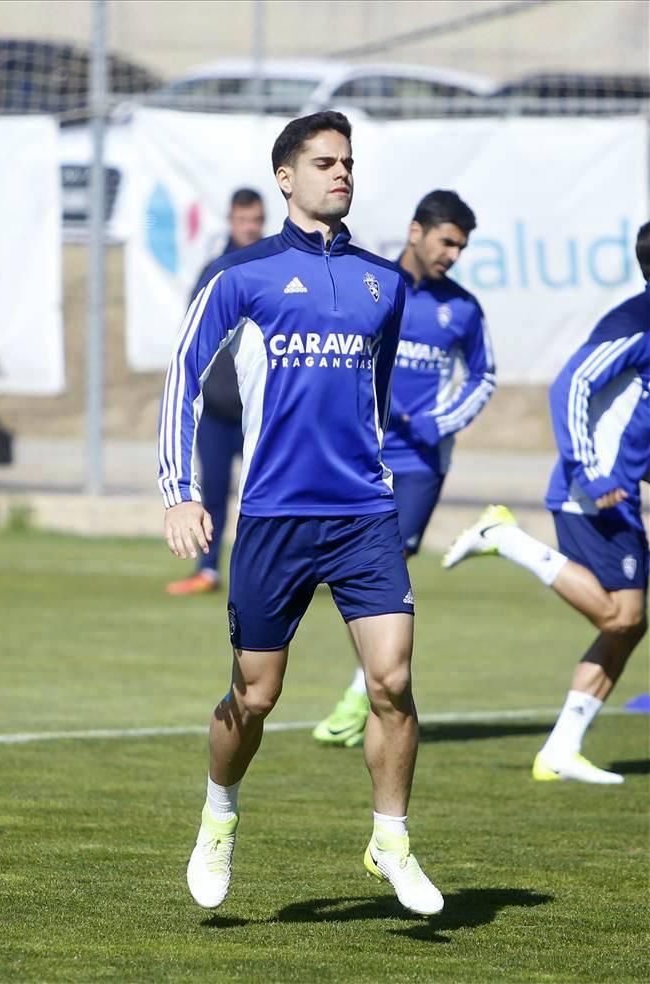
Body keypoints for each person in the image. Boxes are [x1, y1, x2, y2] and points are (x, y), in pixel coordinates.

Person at [158, 111, 443, 915]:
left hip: (362, 513)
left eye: (348, 162)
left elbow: (377, 393)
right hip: (275, 516)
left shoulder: (384, 282)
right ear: (286, 178)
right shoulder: (241, 276)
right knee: (255, 697)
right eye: (324, 162)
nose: (341, 173)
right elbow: (183, 374)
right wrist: (181, 490)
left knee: (391, 681)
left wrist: (377, 468)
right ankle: (219, 814)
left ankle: (391, 838)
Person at [441, 220, 650, 785]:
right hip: (592, 491)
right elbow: (571, 386)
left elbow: (633, 418)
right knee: (619, 615)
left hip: (619, 493)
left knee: (630, 624)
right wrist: (592, 467)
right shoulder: (638, 322)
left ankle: (561, 748)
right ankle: (504, 538)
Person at [313, 190, 496, 748]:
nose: (452, 255)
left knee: (387, 564)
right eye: (446, 242)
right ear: (416, 231)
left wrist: (436, 423)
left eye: (461, 247)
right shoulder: (374, 285)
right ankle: (371, 687)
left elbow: (483, 377)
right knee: (352, 569)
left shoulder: (462, 309)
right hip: (359, 455)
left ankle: (361, 695)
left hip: (419, 463)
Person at [166, 188, 265, 596]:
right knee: (215, 492)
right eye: (243, 219)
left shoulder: (274, 269)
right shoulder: (215, 271)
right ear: (230, 220)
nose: (250, 227)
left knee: (266, 494)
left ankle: (270, 573)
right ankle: (208, 571)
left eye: (256, 219)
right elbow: (194, 344)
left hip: (260, 410)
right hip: (218, 410)